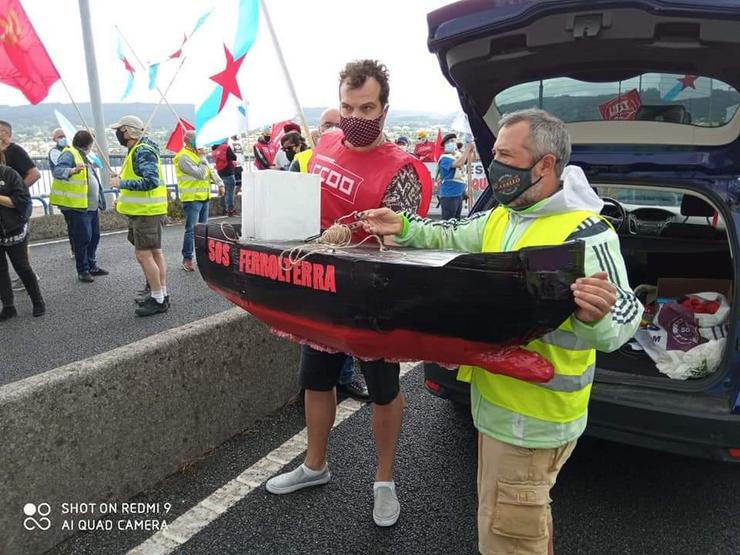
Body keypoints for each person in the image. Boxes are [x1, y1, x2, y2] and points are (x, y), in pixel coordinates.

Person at [359, 108, 642, 554]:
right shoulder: (503, 217)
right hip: (499, 410)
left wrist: (598, 315)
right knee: (527, 524)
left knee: (506, 539)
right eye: (494, 154)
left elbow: (624, 316)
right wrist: (406, 226)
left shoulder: (587, 233)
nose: (496, 167)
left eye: (506, 156)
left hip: (532, 421)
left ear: (545, 165)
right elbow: (452, 233)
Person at [266, 59, 432, 528]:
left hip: (371, 298)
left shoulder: (404, 168)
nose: (355, 116)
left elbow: (403, 240)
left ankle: (384, 480)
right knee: (316, 380)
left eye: (366, 107)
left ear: (384, 109)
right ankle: (314, 465)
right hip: (318, 289)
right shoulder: (327, 142)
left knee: (383, 390)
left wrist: (349, 234)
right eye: (347, 106)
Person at [289, 107, 370, 401]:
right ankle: (310, 384)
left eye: (338, 124)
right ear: (317, 129)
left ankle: (345, 379)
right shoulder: (304, 159)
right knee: (312, 324)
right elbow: (288, 197)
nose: (333, 129)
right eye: (328, 124)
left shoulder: (356, 158)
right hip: (311, 250)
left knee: (343, 322)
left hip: (348, 253)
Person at [109, 115, 169, 317]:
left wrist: (121, 184)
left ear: (129, 131)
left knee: (144, 255)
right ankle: (160, 294)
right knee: (155, 253)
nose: (119, 134)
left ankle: (158, 298)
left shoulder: (142, 150)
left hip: (146, 212)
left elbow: (150, 181)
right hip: (146, 211)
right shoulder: (141, 148)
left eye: (121, 130)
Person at [50, 130, 108, 282]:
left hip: (91, 205)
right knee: (83, 238)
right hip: (77, 206)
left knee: (94, 236)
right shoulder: (70, 154)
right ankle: (83, 270)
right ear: (89, 144)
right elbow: (57, 171)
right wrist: (73, 170)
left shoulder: (86, 156)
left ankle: (91, 265)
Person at [0, 154, 44, 320]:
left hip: (14, 229)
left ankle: (38, 301)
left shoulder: (9, 174)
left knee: (22, 267)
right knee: (1, 271)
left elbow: (20, 200)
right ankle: (8, 306)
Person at [0, 120, 41, 293]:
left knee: (20, 242)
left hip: (15, 208)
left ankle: (26, 278)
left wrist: (17, 193)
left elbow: (35, 173)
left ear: (5, 133)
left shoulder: (15, 151)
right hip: (4, 208)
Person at [175, 130, 218, 272]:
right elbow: (200, 174)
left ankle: (203, 257)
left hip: (204, 196)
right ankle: (187, 258)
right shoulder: (183, 157)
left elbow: (209, 172)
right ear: (189, 141)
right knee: (191, 230)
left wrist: (220, 183)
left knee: (203, 229)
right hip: (192, 198)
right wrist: (203, 158)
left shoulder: (196, 154)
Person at [48, 128, 76, 258]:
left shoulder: (72, 150)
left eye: (64, 135)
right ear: (54, 139)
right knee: (71, 224)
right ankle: (74, 249)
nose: (63, 138)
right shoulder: (55, 152)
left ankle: (81, 249)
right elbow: (62, 166)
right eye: (59, 136)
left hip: (77, 193)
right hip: (65, 194)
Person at [437, 132, 475, 220]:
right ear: (445, 145)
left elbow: (470, 159)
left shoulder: (457, 155)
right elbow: (458, 163)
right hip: (450, 194)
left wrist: (472, 151)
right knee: (448, 221)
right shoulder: (444, 158)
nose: (453, 143)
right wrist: (466, 150)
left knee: (456, 220)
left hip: (459, 193)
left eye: (454, 141)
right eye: (450, 141)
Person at [211, 141, 237, 217]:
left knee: (224, 191)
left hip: (220, 172)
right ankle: (230, 209)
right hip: (228, 171)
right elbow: (234, 157)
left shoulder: (214, 149)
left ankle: (224, 209)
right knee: (230, 192)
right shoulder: (225, 147)